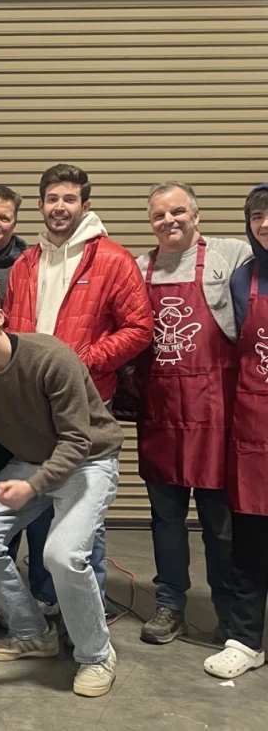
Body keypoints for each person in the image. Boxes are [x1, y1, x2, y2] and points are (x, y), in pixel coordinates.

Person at [0, 278, 122, 698]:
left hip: (88, 462)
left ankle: (96, 655)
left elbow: (78, 440)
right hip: (32, 462)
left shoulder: (50, 357)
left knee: (63, 556)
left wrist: (33, 487)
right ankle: (32, 633)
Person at [2, 164, 153, 615]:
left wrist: (82, 361)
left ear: (85, 205)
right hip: (32, 404)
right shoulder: (26, 262)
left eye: (69, 199)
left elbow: (140, 329)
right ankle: (49, 598)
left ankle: (88, 609)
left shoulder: (112, 259)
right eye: (52, 199)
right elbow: (9, 326)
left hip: (86, 400)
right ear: (42, 205)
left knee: (83, 509)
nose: (59, 207)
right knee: (43, 501)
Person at [135, 181, 250, 645]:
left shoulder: (231, 256)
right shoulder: (139, 267)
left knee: (220, 525)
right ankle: (170, 605)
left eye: (178, 211)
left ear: (196, 215)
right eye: (160, 215)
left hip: (214, 413)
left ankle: (228, 610)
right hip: (160, 412)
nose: (170, 221)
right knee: (165, 519)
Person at [204, 183, 268, 680]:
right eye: (257, 215)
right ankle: (246, 640)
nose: (264, 223)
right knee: (249, 537)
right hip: (253, 426)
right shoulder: (243, 276)